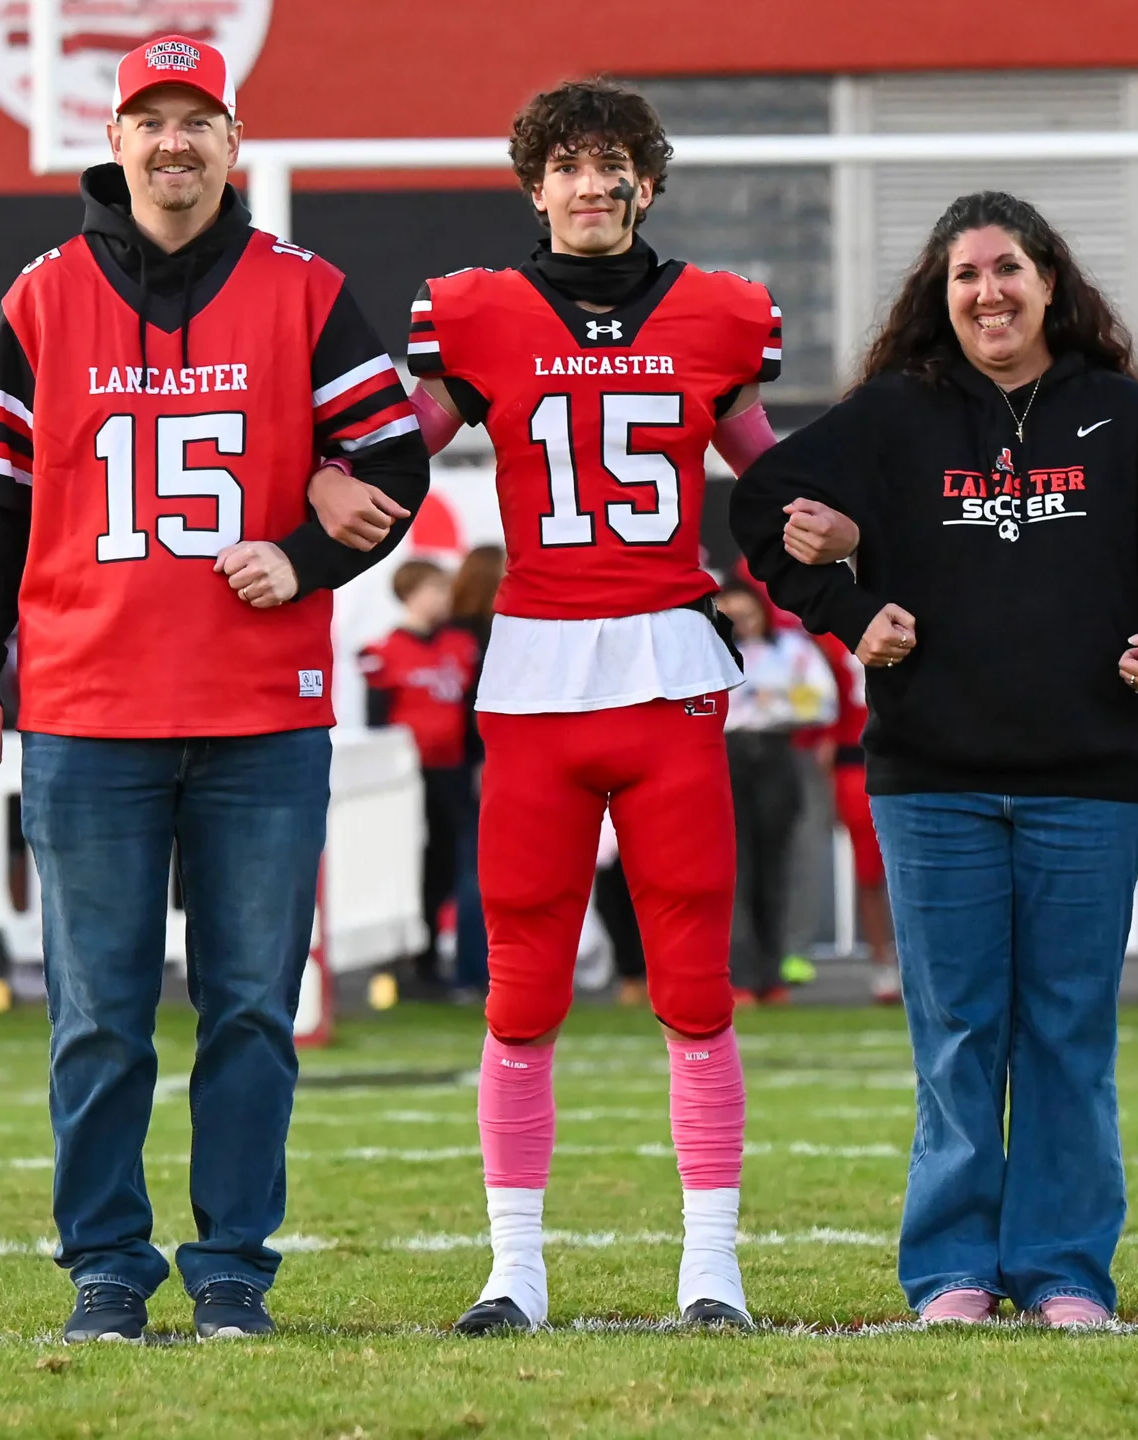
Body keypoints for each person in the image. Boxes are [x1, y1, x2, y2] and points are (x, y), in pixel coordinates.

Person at [0, 36, 427, 1344]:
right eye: (151, 120)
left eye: (195, 118)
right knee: (99, 1017)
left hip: (261, 710)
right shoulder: (41, 297)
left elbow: (394, 458)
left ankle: (230, 1271)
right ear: (118, 137)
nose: (173, 143)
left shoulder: (307, 290)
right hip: (89, 711)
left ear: (232, 135)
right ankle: (107, 1265)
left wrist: (309, 553)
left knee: (253, 1013)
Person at [732, 190, 1138, 1327]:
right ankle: (953, 1272)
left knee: (1069, 1034)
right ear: (942, 296)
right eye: (965, 275)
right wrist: (846, 605)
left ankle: (1067, 1269)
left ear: (1050, 283)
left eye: (1008, 270)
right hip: (934, 782)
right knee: (960, 1036)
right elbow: (765, 500)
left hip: (1092, 781)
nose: (988, 292)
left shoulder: (1120, 415)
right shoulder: (896, 416)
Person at [312, 79, 784, 1332]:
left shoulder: (720, 315)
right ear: (534, 186)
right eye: (567, 165)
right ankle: (512, 1264)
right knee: (521, 982)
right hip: (535, 674)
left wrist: (857, 539)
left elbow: (777, 481)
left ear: (648, 180)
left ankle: (712, 1265)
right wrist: (318, 487)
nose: (591, 183)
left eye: (612, 161)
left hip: (670, 673)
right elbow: (402, 454)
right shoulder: (479, 316)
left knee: (693, 979)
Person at [360, 559, 486, 996]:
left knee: (455, 866)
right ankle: (415, 963)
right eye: (434, 589)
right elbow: (376, 723)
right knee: (409, 869)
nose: (442, 599)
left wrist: (478, 763)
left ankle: (454, 965)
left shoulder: (461, 644)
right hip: (408, 781)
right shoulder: (383, 650)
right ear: (410, 594)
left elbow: (471, 711)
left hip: (454, 773)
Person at [715, 576, 836, 1004]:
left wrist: (771, 702)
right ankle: (740, 972)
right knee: (734, 866)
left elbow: (823, 702)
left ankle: (773, 971)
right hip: (723, 756)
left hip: (775, 752)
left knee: (777, 862)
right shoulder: (707, 653)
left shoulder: (792, 649)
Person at [810, 627, 899, 1003]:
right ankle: (884, 962)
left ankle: (920, 959)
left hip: (907, 751)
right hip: (854, 757)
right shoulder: (828, 635)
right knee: (868, 869)